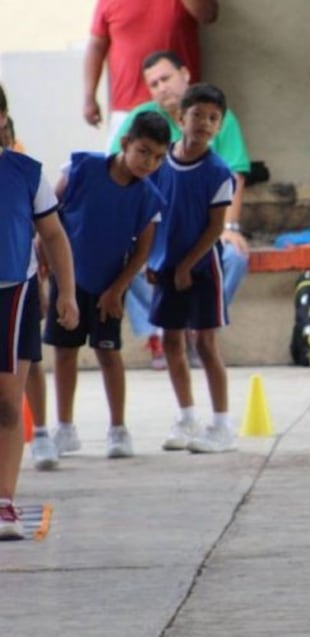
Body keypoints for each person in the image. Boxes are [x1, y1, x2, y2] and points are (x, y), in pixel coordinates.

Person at [110, 51, 251, 369]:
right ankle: (159, 330)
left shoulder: (216, 119)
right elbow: (122, 173)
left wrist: (231, 227)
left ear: (185, 74)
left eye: (166, 78)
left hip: (203, 231)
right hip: (157, 233)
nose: (161, 88)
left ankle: (198, 325)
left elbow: (236, 174)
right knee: (126, 261)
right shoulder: (142, 118)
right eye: (153, 83)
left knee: (234, 256)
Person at [42, 113, 170, 463]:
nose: (150, 163)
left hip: (109, 286)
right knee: (65, 351)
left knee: (107, 352)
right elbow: (50, 213)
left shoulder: (149, 197)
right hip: (68, 278)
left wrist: (117, 289)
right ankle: (65, 427)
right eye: (144, 152)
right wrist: (43, 254)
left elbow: (142, 250)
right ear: (126, 143)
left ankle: (118, 428)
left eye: (159, 157)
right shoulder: (81, 169)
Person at [0, 83, 80, 540]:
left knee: (9, 403)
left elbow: (53, 237)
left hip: (13, 296)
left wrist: (65, 293)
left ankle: (4, 500)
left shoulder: (27, 173)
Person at [149, 83, 236, 454]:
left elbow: (215, 227)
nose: (203, 123)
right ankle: (186, 416)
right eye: (197, 115)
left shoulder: (218, 172)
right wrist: (149, 259)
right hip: (165, 263)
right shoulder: (160, 161)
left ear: (220, 126)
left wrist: (187, 265)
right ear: (179, 117)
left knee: (204, 342)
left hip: (202, 268)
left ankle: (221, 424)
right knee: (171, 340)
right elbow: (149, 214)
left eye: (212, 118)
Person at [84, 0, 219, 141]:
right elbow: (96, 46)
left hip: (180, 108)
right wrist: (89, 97)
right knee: (122, 160)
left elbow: (208, 15)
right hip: (127, 108)